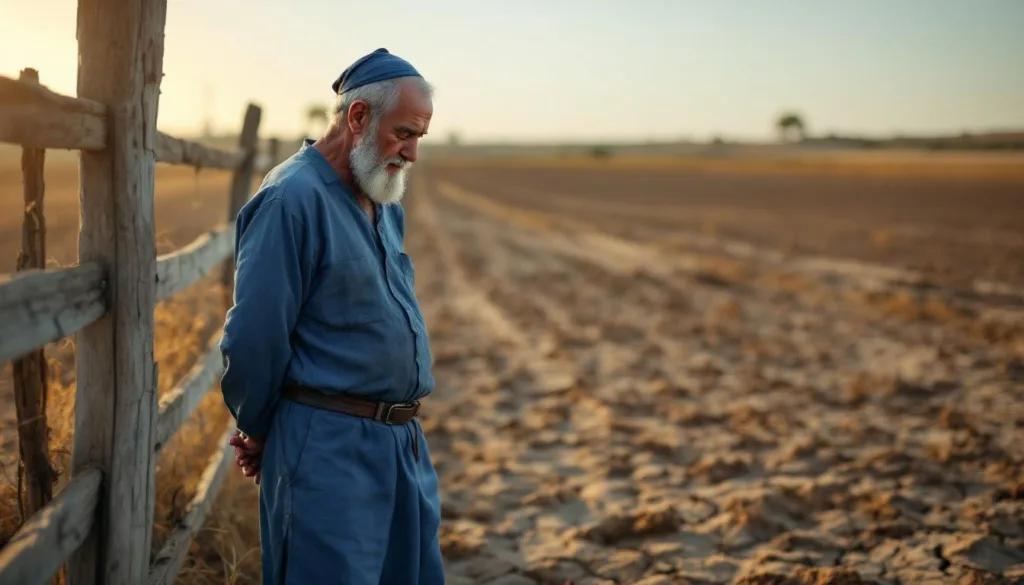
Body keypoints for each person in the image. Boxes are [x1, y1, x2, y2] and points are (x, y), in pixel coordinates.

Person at [218, 48, 444, 585]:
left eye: (419, 138)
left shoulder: (382, 198)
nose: (411, 153)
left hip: (402, 450)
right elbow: (254, 338)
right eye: (404, 133)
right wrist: (261, 427)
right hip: (327, 453)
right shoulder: (290, 199)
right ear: (358, 117)